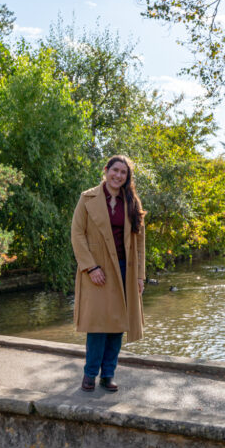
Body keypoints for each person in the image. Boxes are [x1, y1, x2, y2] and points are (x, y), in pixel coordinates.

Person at [71, 155, 146, 392]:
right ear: (106, 170)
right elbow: (77, 234)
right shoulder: (87, 198)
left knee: (117, 325)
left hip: (126, 268)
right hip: (98, 270)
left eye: (124, 173)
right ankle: (90, 375)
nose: (118, 176)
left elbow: (140, 242)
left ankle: (108, 374)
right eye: (115, 170)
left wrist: (140, 276)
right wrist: (90, 267)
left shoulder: (132, 202)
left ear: (127, 177)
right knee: (98, 325)